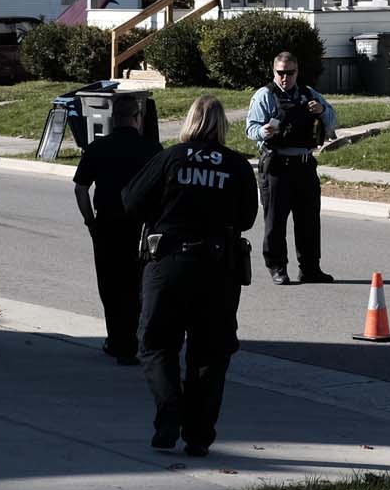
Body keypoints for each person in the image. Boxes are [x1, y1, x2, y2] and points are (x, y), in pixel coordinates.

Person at [123, 95, 258, 457]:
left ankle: (169, 412)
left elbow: (132, 201)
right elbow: (246, 218)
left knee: (155, 343)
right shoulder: (236, 165)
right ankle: (198, 435)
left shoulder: (169, 158)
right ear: (221, 125)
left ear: (189, 121)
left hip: (168, 263)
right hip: (218, 268)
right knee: (210, 354)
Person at [74, 94, 161, 365]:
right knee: (137, 284)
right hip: (141, 227)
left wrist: (90, 221)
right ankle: (134, 339)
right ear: (137, 118)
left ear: (113, 119)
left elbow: (81, 188)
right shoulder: (152, 150)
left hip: (107, 224)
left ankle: (116, 339)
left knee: (110, 285)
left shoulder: (97, 148)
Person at [244, 51, 337, 285]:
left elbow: (333, 120)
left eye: (290, 73)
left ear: (297, 72)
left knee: (308, 220)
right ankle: (277, 267)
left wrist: (322, 112)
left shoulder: (309, 94)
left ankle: (310, 268)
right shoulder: (265, 95)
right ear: (274, 72)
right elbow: (250, 128)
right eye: (280, 73)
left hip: (304, 166)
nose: (285, 78)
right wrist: (262, 132)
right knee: (275, 221)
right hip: (277, 165)